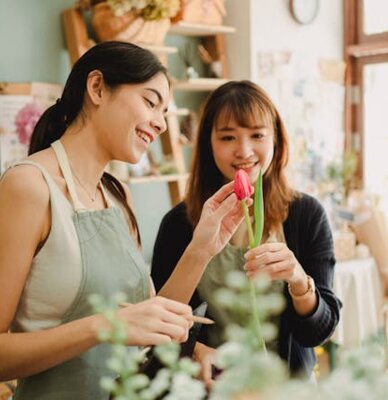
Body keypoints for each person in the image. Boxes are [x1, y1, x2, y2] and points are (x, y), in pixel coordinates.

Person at [0, 42, 249, 400]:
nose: (162, 123)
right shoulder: (28, 186)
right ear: (97, 87)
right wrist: (102, 327)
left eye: (165, 111)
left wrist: (202, 248)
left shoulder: (117, 196)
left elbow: (150, 321)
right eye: (151, 102)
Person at [151, 80, 342, 378]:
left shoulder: (306, 215)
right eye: (228, 138)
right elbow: (160, 322)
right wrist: (196, 349)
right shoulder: (179, 223)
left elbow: (319, 332)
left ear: (275, 140)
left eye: (257, 135)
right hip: (214, 386)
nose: (244, 151)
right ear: (208, 144)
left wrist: (298, 280)